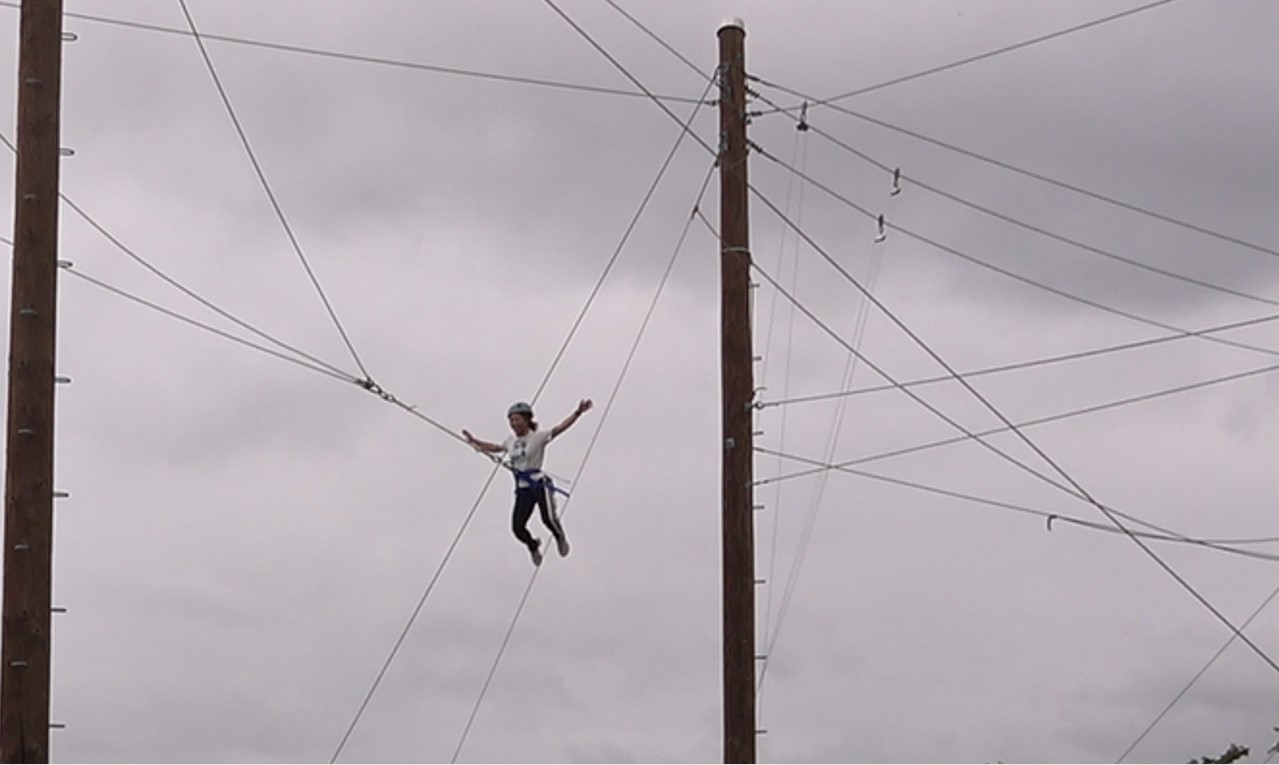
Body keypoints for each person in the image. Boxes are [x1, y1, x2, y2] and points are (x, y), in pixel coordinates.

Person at [463, 399, 593, 566]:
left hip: (539, 484)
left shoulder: (538, 437)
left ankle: (559, 536)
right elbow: (495, 447)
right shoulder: (510, 442)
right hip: (522, 489)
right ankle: (533, 545)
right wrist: (475, 441)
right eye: (511, 420)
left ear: (526, 420)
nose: (513, 423)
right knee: (517, 528)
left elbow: (560, 428)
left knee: (547, 519)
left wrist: (577, 413)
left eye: (516, 419)